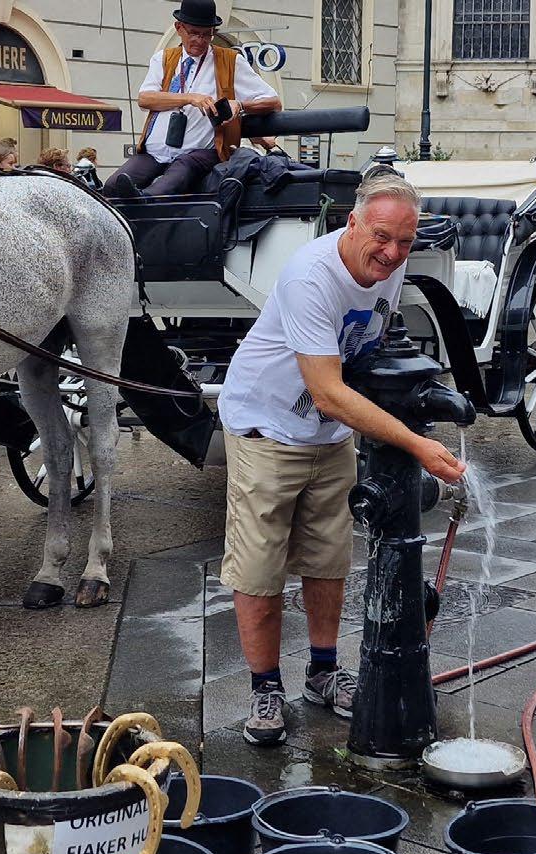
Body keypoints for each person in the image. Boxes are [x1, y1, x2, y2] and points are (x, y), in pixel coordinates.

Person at [224, 174, 463, 746]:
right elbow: (329, 391)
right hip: (268, 425)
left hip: (328, 435)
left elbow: (368, 355)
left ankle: (324, 673)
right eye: (381, 237)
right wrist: (416, 444)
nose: (393, 253)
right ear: (351, 223)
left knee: (328, 557)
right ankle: (265, 688)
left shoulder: (390, 264)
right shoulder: (311, 276)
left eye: (405, 242)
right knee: (259, 565)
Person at [108, 0, 282, 197]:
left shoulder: (231, 61)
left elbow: (274, 102)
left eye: (206, 34)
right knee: (112, 186)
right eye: (193, 33)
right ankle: (130, 203)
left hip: (199, 153)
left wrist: (240, 105)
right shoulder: (163, 58)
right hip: (155, 153)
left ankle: (144, 201)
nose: (200, 40)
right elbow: (145, 99)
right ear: (179, 28)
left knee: (173, 179)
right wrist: (189, 98)